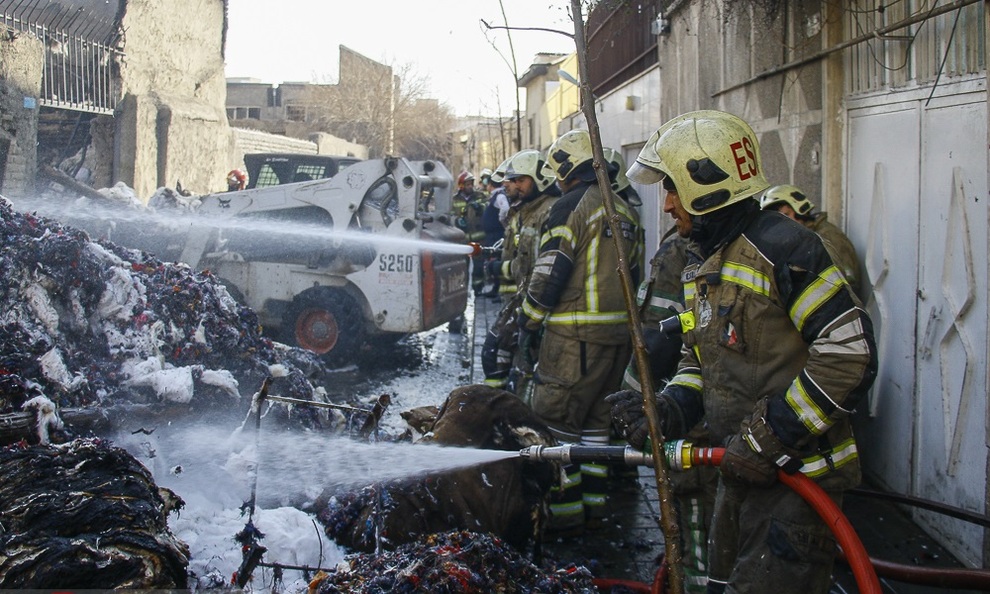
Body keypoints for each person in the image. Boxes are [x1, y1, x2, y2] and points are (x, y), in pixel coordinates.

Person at [610, 110, 877, 594]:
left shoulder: (787, 249)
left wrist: (767, 438)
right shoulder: (704, 261)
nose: (667, 204)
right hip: (739, 474)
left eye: (672, 188)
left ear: (706, 187)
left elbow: (849, 354)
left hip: (797, 482)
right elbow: (701, 359)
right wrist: (670, 408)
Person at [517, 130, 642, 535]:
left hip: (573, 341)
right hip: (617, 341)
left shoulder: (570, 206)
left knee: (555, 428)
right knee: (595, 429)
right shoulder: (624, 209)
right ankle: (594, 509)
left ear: (569, 167)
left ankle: (564, 519)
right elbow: (635, 277)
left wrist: (527, 323)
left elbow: (549, 272)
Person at [607, 189, 715, 594]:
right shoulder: (704, 244)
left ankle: (693, 580)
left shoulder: (682, 250)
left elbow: (658, 340)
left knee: (695, 513)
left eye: (674, 191)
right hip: (700, 404)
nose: (666, 204)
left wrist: (637, 403)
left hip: (699, 425)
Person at [480, 150, 559, 392]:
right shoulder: (527, 210)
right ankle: (498, 402)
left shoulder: (549, 211)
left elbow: (536, 267)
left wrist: (499, 268)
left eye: (519, 180)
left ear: (540, 179)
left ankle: (508, 404)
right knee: (495, 354)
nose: (512, 185)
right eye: (511, 180)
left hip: (535, 305)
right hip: (521, 299)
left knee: (514, 362)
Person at [759, 184, 863, 297]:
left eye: (786, 214)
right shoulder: (798, 239)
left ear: (800, 209)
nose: (783, 223)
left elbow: (849, 281)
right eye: (777, 219)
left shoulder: (827, 236)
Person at [452, 171, 487, 293]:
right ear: (461, 185)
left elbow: (487, 208)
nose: (470, 186)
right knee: (462, 267)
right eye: (468, 184)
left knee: (478, 267)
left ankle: (478, 290)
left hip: (479, 238)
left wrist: (480, 208)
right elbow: (449, 216)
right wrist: (456, 221)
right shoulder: (454, 199)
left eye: (471, 184)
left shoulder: (480, 196)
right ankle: (462, 291)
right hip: (462, 240)